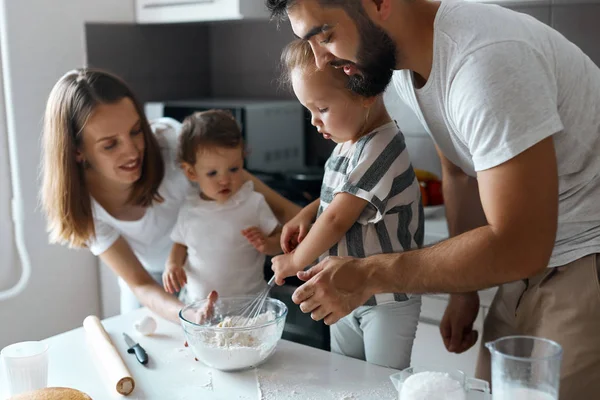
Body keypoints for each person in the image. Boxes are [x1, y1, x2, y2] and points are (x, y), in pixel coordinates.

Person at [266, 0, 600, 397]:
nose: (322, 61)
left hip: (585, 259)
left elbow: (520, 244)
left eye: (325, 35)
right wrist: (464, 290)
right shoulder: (407, 66)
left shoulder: (486, 63)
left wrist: (370, 273)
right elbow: (459, 173)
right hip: (529, 267)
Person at [40, 68, 300, 323]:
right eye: (110, 144)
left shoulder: (171, 142)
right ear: (77, 151)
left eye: (136, 131)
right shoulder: (86, 207)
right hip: (151, 282)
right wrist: (189, 315)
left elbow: (277, 206)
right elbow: (141, 285)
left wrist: (320, 240)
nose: (132, 151)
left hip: (208, 276)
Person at [270, 39, 422, 369]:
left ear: (366, 93)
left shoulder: (382, 146)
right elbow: (337, 198)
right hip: (342, 290)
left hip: (386, 299)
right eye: (308, 110)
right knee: (347, 376)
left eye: (322, 109)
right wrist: (306, 214)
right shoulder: (348, 143)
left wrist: (295, 259)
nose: (314, 121)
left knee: (384, 383)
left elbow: (339, 218)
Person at [163, 109, 282, 301]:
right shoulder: (189, 209)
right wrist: (172, 265)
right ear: (191, 172)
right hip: (200, 306)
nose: (225, 180)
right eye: (213, 173)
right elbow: (180, 244)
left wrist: (268, 244)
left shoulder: (253, 202)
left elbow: (281, 240)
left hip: (249, 306)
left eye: (234, 169)